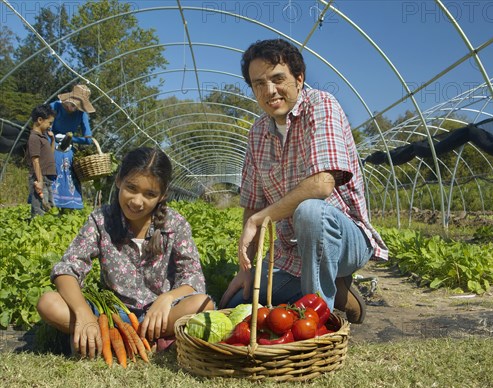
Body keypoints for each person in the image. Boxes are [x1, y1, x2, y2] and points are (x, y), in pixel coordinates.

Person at [219, 39, 388, 324]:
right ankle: (342, 293)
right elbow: (252, 205)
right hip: (290, 254)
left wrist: (259, 219)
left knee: (309, 212)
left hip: (344, 237)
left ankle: (317, 320)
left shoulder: (322, 106)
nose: (269, 91)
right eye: (258, 83)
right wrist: (247, 269)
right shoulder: (257, 133)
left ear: (299, 79)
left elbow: (323, 184)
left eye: (277, 79)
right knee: (240, 302)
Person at [37, 147, 214, 358]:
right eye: (131, 188)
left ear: (163, 195)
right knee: (48, 303)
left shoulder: (175, 224)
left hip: (159, 317)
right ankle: (117, 337)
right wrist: (83, 313)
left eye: (150, 194)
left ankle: (113, 343)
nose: (137, 201)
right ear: (119, 180)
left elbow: (192, 277)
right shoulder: (101, 219)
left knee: (203, 304)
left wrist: (166, 298)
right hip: (112, 316)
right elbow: (68, 268)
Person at [50, 84, 96, 211]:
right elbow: (45, 129)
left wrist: (70, 138)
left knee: (70, 173)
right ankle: (48, 204)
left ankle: (69, 207)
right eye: (73, 104)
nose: (73, 108)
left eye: (77, 106)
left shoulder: (81, 114)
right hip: (52, 147)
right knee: (53, 171)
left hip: (69, 149)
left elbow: (88, 140)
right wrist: (54, 137)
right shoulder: (55, 107)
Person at [26, 104, 56, 217]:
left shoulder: (43, 137)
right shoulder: (34, 138)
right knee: (38, 207)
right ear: (40, 120)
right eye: (49, 123)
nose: (50, 126)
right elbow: (35, 161)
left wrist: (52, 140)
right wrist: (39, 181)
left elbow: (51, 154)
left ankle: (44, 227)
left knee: (48, 204)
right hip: (40, 176)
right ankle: (37, 228)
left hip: (46, 177)